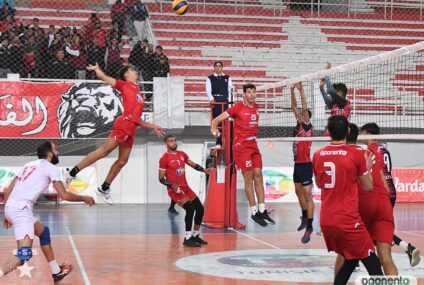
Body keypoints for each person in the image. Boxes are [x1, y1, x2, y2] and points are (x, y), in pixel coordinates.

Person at [65, 63, 165, 204]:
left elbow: (137, 118)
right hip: (124, 124)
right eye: (132, 70)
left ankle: (104, 188)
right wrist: (97, 70)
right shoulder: (124, 85)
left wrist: (152, 125)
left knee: (123, 160)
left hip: (131, 127)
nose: (135, 71)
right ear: (126, 75)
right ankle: (71, 173)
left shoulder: (137, 91)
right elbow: (105, 78)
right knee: (104, 151)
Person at [1, 141, 95, 283]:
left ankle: (56, 271)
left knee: (44, 232)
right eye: (56, 150)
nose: (58, 153)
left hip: (12, 208)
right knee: (23, 255)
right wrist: (84, 197)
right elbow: (64, 195)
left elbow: (8, 189)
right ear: (50, 153)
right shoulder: (50, 168)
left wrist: (8, 213)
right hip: (21, 211)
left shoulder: (28, 165)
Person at [312, 115, 383, 284]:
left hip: (326, 221)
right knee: (373, 263)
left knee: (350, 259)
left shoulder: (317, 155)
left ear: (328, 132)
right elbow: (368, 187)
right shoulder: (356, 154)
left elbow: (320, 184)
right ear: (349, 131)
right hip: (348, 220)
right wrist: (367, 168)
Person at [211, 83, 275, 227]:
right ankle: (253, 212)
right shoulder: (237, 108)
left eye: (254, 92)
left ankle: (262, 210)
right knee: (249, 178)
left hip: (254, 145)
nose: (252, 94)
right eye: (249, 92)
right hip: (241, 146)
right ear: (244, 94)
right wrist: (214, 128)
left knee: (258, 175)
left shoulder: (256, 107)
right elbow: (216, 120)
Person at [360, 123, 421, 267]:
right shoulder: (385, 151)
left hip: (380, 191)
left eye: (362, 132)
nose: (360, 135)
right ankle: (407, 247)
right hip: (390, 189)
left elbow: (373, 173)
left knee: (370, 228)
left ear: (368, 134)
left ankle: (361, 261)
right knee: (380, 227)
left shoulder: (369, 152)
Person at [341, 123, 398, 276]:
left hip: (364, 202)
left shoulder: (352, 154)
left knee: (345, 253)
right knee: (386, 257)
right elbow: (386, 185)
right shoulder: (377, 153)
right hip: (384, 203)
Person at [159, 135, 210, 247]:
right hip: (175, 191)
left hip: (186, 187)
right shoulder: (164, 158)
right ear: (166, 144)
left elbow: (193, 164)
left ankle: (195, 235)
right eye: (171, 141)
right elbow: (161, 179)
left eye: (174, 141)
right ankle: (187, 238)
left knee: (200, 209)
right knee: (190, 209)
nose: (174, 142)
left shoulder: (182, 154)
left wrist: (203, 170)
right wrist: (171, 185)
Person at [290, 82, 314, 243]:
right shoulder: (298, 124)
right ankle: (305, 217)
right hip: (297, 165)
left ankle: (310, 226)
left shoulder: (306, 126)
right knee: (298, 193)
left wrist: (301, 91)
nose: (300, 115)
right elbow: (294, 107)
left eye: (303, 114)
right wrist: (291, 90)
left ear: (307, 117)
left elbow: (303, 107)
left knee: (307, 194)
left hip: (306, 164)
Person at [206, 61, 233, 146]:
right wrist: (211, 99)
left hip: (225, 101)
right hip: (216, 101)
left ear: (222, 67)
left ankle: (227, 141)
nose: (218, 67)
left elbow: (230, 90)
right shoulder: (210, 78)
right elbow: (208, 90)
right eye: (216, 66)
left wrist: (229, 101)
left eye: (219, 66)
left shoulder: (227, 78)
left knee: (225, 121)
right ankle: (218, 142)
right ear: (214, 68)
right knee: (217, 121)